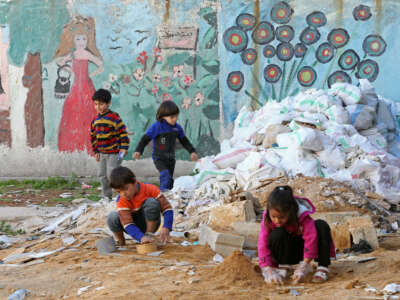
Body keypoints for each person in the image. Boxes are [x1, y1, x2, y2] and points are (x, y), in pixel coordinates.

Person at [258, 185, 336, 284]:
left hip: (304, 251)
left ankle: (322, 268)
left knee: (321, 225)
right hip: (287, 252)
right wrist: (268, 270)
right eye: (273, 216)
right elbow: (262, 244)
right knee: (278, 232)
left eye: (282, 217)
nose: (277, 220)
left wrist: (303, 266)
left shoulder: (302, 215)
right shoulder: (267, 220)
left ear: (290, 212)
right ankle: (284, 265)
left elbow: (311, 238)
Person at [54, 16, 104, 154]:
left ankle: (89, 147)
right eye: (78, 39)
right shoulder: (73, 54)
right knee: (73, 114)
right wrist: (70, 70)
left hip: (87, 87)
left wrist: (90, 76)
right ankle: (73, 147)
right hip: (76, 87)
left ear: (87, 40)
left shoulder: (87, 54)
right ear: (73, 40)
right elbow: (59, 62)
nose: (81, 42)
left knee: (88, 113)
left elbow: (101, 66)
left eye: (83, 39)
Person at [133, 101, 198, 191]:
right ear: (163, 116)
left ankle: (170, 195)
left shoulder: (177, 128)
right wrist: (138, 150)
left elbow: (184, 141)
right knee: (165, 175)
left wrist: (192, 151)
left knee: (170, 179)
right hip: (159, 158)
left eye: (176, 116)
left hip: (171, 158)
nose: (175, 119)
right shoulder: (157, 126)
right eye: (172, 117)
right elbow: (145, 139)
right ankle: (162, 193)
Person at [106, 166, 173, 245]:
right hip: (132, 226)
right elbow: (128, 224)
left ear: (134, 181)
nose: (123, 194)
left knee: (151, 202)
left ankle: (149, 236)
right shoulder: (121, 200)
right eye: (119, 191)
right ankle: (121, 242)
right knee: (112, 217)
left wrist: (166, 227)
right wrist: (140, 237)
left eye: (126, 189)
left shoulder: (150, 189)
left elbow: (167, 209)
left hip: (150, 222)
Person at [90, 89, 129, 201]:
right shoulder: (95, 120)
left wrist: (124, 147)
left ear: (108, 103)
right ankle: (106, 197)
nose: (98, 107)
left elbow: (123, 133)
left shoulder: (114, 118)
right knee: (102, 175)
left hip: (114, 153)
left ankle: (120, 196)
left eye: (101, 104)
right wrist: (96, 151)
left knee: (113, 176)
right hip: (101, 153)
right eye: (96, 104)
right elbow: (93, 137)